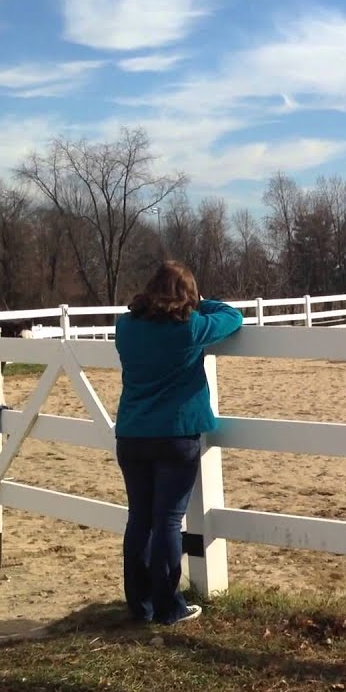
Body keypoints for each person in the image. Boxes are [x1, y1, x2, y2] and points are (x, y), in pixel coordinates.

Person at [113, 260, 244, 625]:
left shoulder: (125, 327)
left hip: (133, 434)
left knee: (139, 518)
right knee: (168, 520)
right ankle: (169, 606)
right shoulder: (190, 327)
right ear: (187, 295)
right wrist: (202, 302)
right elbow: (234, 317)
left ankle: (140, 605)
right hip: (176, 434)